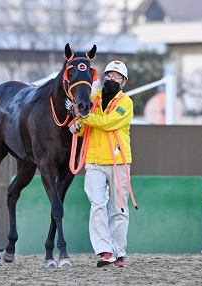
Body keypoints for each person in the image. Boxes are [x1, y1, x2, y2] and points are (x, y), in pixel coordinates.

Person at [69, 60, 134, 267]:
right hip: (94, 161)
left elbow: (108, 123)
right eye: (109, 75)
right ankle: (105, 251)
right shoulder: (93, 99)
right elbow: (80, 127)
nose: (112, 79)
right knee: (97, 205)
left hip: (118, 162)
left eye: (117, 76)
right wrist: (76, 122)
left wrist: (84, 116)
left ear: (123, 81)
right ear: (103, 77)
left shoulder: (126, 103)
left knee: (119, 208)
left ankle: (119, 252)